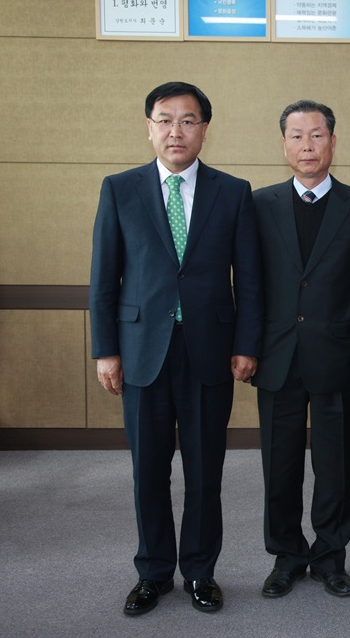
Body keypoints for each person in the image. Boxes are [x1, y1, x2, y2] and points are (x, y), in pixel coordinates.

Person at [89, 81, 263, 616]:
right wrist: (106, 350)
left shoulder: (232, 191)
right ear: (149, 127)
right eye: (165, 120)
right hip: (141, 349)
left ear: (204, 129)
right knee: (149, 468)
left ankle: (201, 572)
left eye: (188, 121)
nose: (175, 131)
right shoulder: (120, 189)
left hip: (210, 349)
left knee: (206, 469)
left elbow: (250, 279)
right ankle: (153, 573)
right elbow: (104, 276)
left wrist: (246, 343)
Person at [252, 100, 350, 599]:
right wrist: (247, 347)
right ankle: (286, 555)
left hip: (337, 354)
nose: (307, 145)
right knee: (279, 464)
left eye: (317, 135)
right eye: (297, 136)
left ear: (333, 141)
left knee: (335, 465)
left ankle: (330, 556)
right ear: (283, 144)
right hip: (277, 355)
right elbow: (251, 284)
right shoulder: (258, 204)